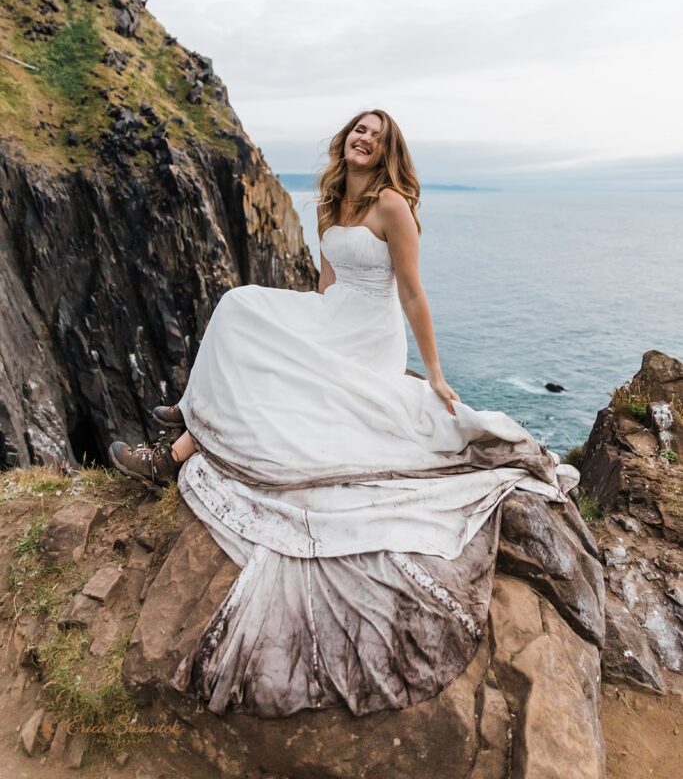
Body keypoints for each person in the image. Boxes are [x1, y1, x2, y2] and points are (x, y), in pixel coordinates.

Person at [108, 108, 578, 718]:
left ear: (388, 153)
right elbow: (326, 288)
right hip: (335, 317)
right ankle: (193, 418)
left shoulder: (392, 207)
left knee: (244, 314)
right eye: (360, 129)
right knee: (242, 307)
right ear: (346, 138)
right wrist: (301, 337)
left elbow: (410, 292)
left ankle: (179, 441)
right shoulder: (331, 203)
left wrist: (433, 372)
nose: (365, 139)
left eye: (378, 137)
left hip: (370, 334)